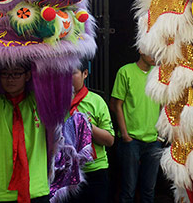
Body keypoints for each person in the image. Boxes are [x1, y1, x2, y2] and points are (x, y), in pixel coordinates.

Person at [0, 62, 50, 203]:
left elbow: (50, 82)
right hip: (4, 193)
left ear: (27, 75)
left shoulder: (37, 101)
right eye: (5, 74)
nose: (10, 79)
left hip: (36, 190)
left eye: (16, 73)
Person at [110, 53, 161, 203]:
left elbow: (164, 103)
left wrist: (160, 134)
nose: (154, 54)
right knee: (128, 190)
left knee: (149, 191)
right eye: (150, 49)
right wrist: (125, 135)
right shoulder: (125, 71)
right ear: (140, 49)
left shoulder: (158, 74)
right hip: (131, 141)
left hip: (153, 140)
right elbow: (115, 104)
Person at [68, 61, 114, 203]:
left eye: (73, 73)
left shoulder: (96, 101)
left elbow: (110, 140)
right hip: (67, 172)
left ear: (85, 74)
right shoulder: (57, 102)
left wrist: (88, 126)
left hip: (94, 171)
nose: (68, 77)